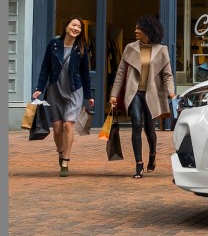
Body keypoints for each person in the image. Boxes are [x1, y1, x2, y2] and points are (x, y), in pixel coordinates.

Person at [109, 15, 176, 179]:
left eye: (139, 28)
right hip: (134, 94)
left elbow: (167, 75)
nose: (136, 31)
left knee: (149, 128)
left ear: (148, 30)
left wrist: (171, 92)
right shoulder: (130, 48)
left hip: (151, 95)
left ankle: (152, 152)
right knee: (136, 125)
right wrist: (113, 95)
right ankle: (138, 164)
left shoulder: (161, 50)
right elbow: (120, 74)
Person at [33, 16, 95, 177]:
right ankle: (61, 151)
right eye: (74, 25)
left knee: (68, 125)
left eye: (79, 27)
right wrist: (40, 88)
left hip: (74, 90)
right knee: (58, 128)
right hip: (55, 89)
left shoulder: (81, 47)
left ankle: (66, 159)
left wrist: (88, 95)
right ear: (66, 26)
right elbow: (45, 67)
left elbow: (85, 73)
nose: (76, 28)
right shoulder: (53, 44)